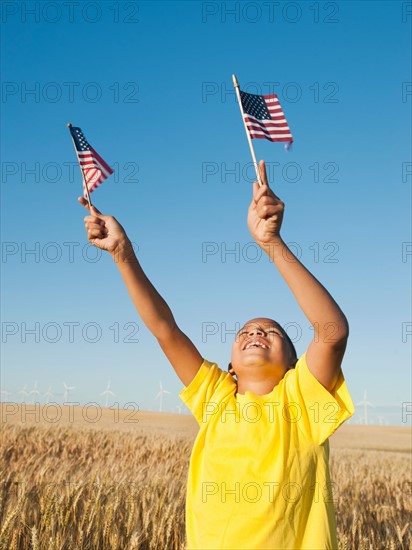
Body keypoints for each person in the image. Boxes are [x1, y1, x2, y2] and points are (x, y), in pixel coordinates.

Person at [79, 160, 354, 549]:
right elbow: (165, 330)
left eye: (271, 332)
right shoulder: (215, 398)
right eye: (245, 331)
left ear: (296, 366)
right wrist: (122, 253)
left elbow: (332, 332)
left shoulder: (302, 403)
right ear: (229, 368)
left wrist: (271, 244)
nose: (256, 332)